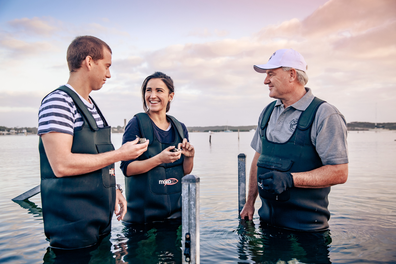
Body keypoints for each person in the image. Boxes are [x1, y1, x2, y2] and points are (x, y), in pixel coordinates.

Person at [38, 35, 149, 250]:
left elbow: (97, 157)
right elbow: (61, 165)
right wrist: (120, 154)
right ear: (89, 62)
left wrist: (114, 190)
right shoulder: (58, 102)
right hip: (72, 227)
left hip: (98, 220)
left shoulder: (91, 105)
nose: (109, 73)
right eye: (106, 66)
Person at [240, 48, 348, 231]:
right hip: (267, 225)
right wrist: (250, 202)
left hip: (307, 232)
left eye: (271, 74)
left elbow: (339, 172)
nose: (266, 80)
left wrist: (290, 179)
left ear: (291, 75)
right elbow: (258, 159)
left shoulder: (325, 114)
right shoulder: (267, 112)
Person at [120, 71, 195, 224]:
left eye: (159, 90)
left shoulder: (179, 127)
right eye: (148, 90)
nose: (152, 95)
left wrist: (189, 157)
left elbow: (185, 171)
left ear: (171, 96)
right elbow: (127, 169)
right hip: (142, 220)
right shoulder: (136, 124)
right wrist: (159, 159)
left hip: (175, 217)